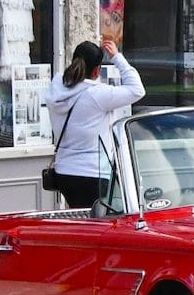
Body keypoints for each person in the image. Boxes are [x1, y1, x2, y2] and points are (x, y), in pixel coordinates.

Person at [46, 38, 145, 208]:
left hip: (64, 171)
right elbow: (137, 90)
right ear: (97, 71)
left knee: (78, 220)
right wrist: (117, 58)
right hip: (92, 172)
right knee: (94, 226)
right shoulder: (97, 94)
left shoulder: (56, 88)